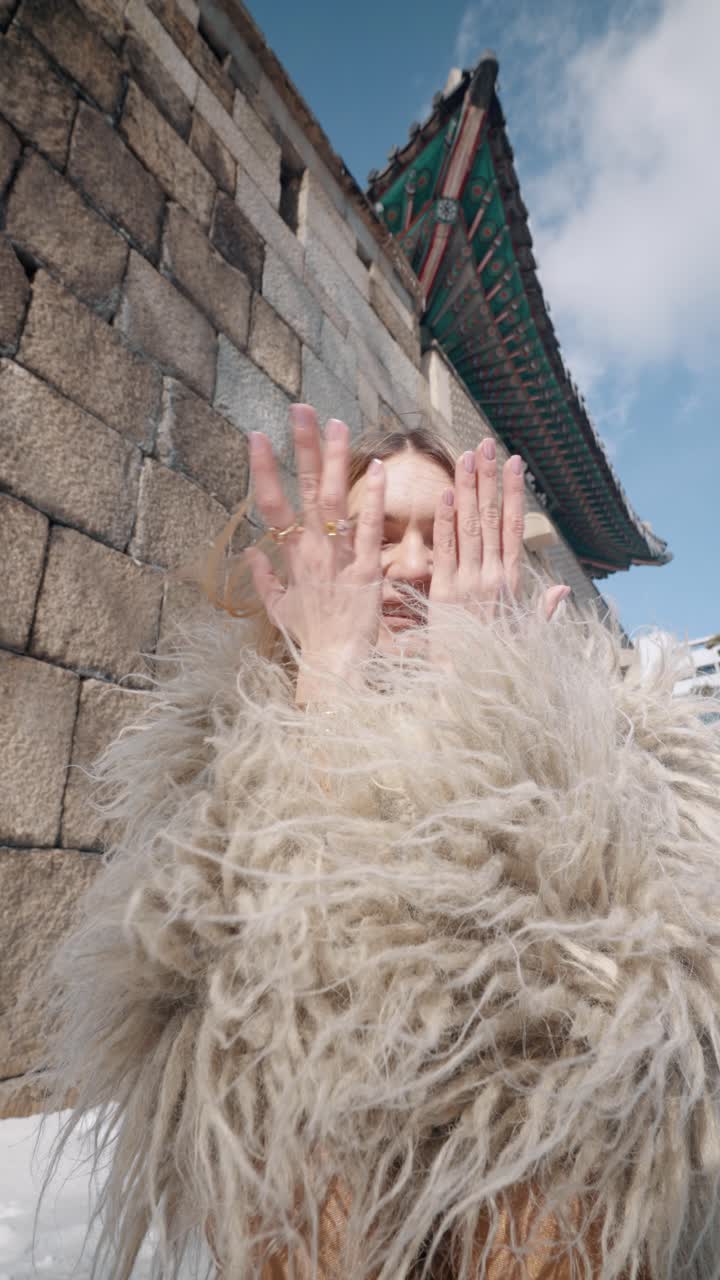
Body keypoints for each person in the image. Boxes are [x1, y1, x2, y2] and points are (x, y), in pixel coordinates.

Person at [40, 405, 720, 1280]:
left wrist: (495, 718)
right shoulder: (207, 764)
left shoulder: (629, 749)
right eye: (372, 533)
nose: (407, 568)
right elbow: (246, 1027)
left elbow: (613, 1029)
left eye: (446, 536)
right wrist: (326, 686)